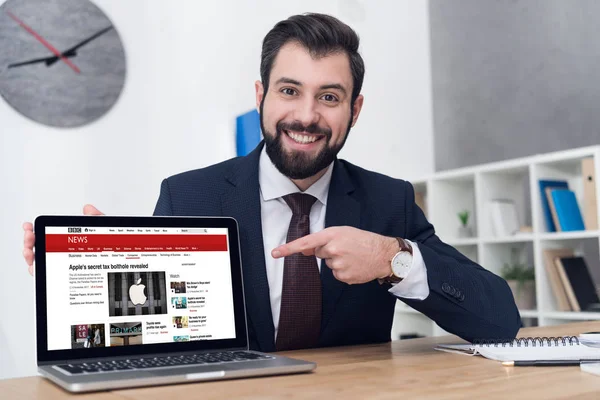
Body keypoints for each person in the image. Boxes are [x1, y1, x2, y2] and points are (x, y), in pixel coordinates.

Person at [23, 13, 520, 352]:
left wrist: (392, 259)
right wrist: (89, 279)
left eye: (329, 97)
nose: (306, 116)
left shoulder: (388, 201)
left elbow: (498, 320)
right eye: (289, 91)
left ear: (355, 110)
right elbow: (153, 336)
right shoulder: (188, 197)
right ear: (261, 95)